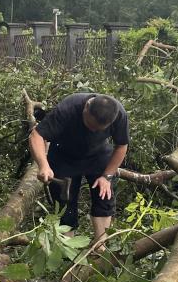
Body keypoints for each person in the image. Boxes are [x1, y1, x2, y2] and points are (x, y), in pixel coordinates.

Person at [29, 93, 129, 242]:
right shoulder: (68, 108)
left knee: (104, 197)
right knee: (65, 205)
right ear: (86, 108)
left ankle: (100, 248)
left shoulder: (119, 114)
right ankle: (68, 248)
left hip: (98, 155)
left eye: (98, 129)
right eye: (91, 126)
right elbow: (36, 135)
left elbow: (121, 145)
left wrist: (107, 176)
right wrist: (44, 165)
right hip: (64, 155)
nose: (93, 131)